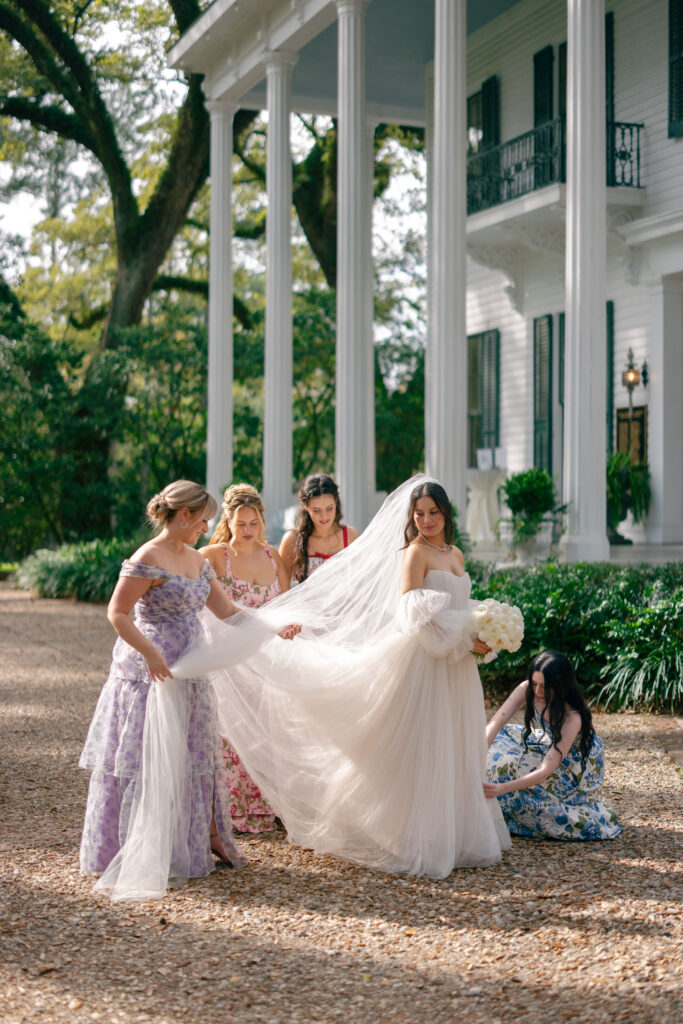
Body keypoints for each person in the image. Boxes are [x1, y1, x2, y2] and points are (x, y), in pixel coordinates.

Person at [172, 475, 511, 878]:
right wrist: (463, 640)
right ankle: (419, 834)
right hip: (428, 660)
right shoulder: (414, 553)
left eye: (432, 512)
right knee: (426, 742)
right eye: (418, 513)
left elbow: (456, 604)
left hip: (457, 664)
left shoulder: (453, 553)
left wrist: (483, 629)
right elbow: (413, 615)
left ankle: (457, 832)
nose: (425, 520)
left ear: (445, 513)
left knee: (455, 740)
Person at [79, 480, 299, 901]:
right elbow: (118, 612)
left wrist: (273, 628)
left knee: (188, 757)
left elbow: (230, 613)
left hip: (192, 668)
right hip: (151, 671)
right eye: (202, 519)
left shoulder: (197, 561)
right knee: (143, 757)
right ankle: (124, 848)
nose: (206, 526)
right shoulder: (148, 556)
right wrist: (149, 654)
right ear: (184, 516)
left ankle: (185, 845)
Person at [200, 484, 289, 833]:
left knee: (266, 730)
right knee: (228, 734)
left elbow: (286, 605)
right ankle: (226, 811)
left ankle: (263, 806)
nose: (248, 530)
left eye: (254, 522)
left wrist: (288, 628)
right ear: (228, 520)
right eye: (241, 523)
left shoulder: (272, 557)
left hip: (266, 658)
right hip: (228, 660)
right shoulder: (213, 556)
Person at [484, 650, 621, 840]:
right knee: (495, 753)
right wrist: (476, 753)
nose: (538, 692)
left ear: (561, 686)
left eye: (545, 686)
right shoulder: (528, 689)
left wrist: (502, 789)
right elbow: (494, 724)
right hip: (550, 741)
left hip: (576, 764)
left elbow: (544, 771)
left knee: (516, 775)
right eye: (534, 684)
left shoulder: (573, 717)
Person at [279, 474, 359, 582]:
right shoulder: (292, 540)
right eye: (316, 510)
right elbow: (282, 589)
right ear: (305, 506)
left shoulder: (351, 536)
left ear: (336, 500)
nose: (324, 516)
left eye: (329, 508)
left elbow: (360, 583)